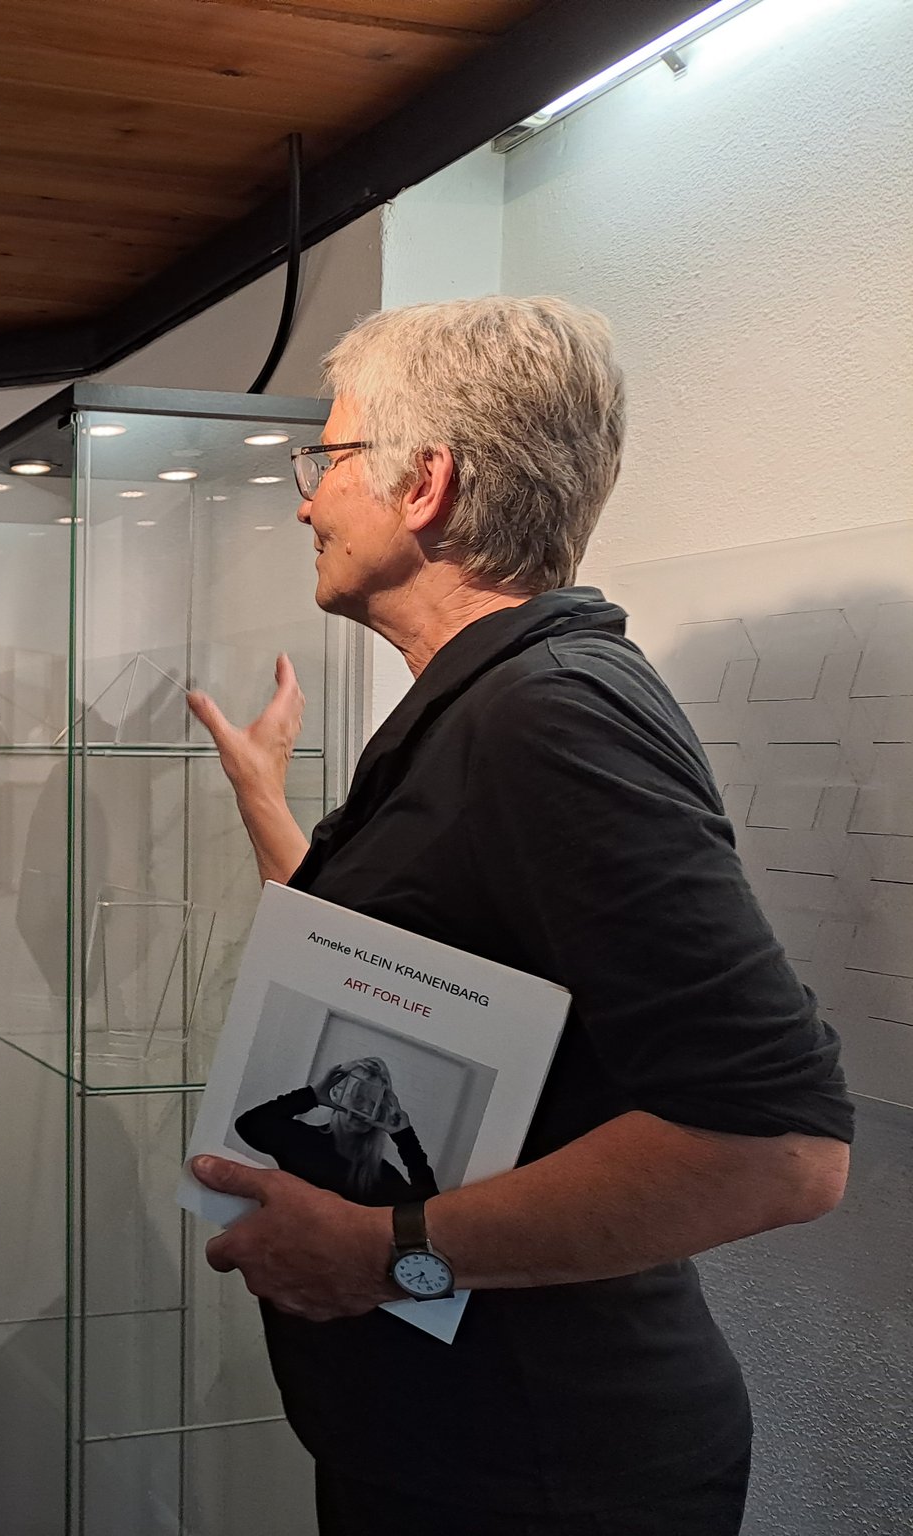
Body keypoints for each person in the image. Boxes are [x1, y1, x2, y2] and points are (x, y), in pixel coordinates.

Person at [183, 297, 853, 1536]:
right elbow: (369, 965)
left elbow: (778, 1149)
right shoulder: (485, 704)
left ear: (422, 483)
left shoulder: (547, 715)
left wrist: (378, 1252)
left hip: (539, 1477)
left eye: (326, 462)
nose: (304, 504)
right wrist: (262, 800)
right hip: (456, 1449)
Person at [236, 1057, 436, 1205]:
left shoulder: (380, 1176)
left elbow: (427, 1214)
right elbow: (248, 1125)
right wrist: (312, 1095)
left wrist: (404, 1136)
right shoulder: (303, 1142)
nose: (365, 1109)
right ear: (339, 1095)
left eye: (375, 1103)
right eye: (358, 1097)